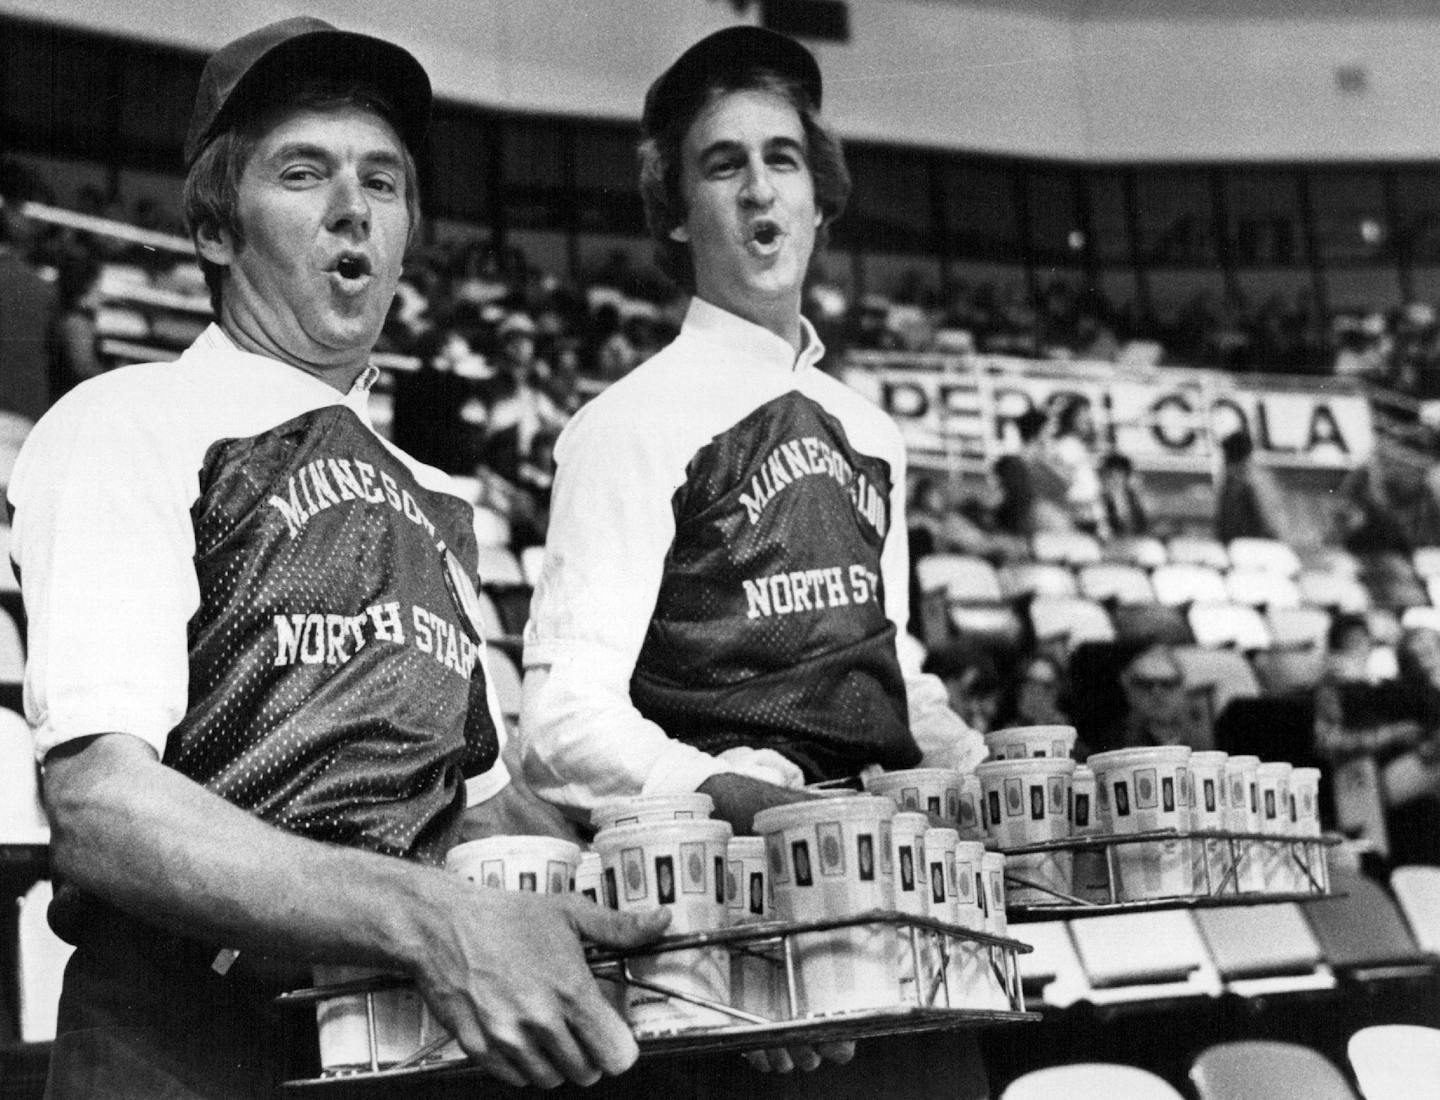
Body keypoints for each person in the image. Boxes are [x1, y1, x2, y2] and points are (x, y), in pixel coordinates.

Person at [8, 19, 667, 1099]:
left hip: (399, 1038)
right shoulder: (128, 421)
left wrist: (681, 927)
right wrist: (425, 915)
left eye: (383, 179)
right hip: (186, 1038)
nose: (351, 208)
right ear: (218, 227)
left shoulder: (436, 496)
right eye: (303, 172)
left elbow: (480, 811)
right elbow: (102, 807)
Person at [519, 26, 987, 1090]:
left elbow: (889, 661)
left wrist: (963, 750)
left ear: (822, 197)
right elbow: (560, 722)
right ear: (675, 212)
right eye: (721, 165)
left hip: (892, 910)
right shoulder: (627, 425)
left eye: (783, 159)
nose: (759, 191)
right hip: (727, 935)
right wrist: (727, 789)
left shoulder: (872, 430)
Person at [1213, 429, 1283, 543]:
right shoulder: (1253, 483)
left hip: (1247, 547)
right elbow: (1271, 523)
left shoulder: (1233, 485)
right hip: (1253, 547)